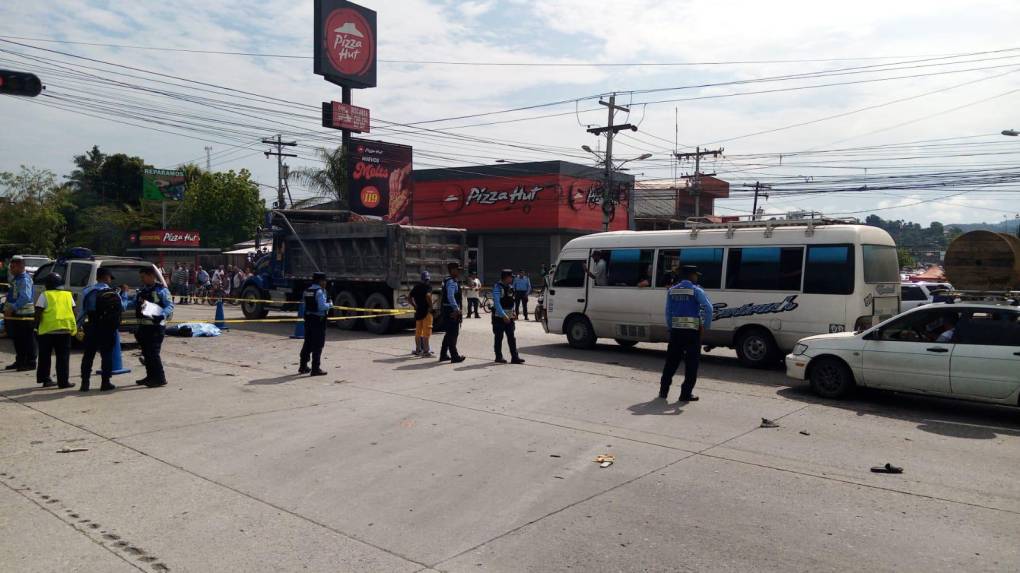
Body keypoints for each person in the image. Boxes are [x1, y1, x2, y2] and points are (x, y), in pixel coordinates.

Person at [659, 265, 714, 402]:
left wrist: (671, 327)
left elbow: (668, 312)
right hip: (692, 333)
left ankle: (663, 392)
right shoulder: (696, 290)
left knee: (671, 363)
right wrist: (705, 326)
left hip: (676, 332)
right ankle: (685, 394)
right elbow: (709, 308)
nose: (697, 277)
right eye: (695, 275)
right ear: (691, 276)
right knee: (691, 364)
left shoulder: (672, 291)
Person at [76, 268, 128, 392]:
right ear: (106, 277)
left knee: (88, 356)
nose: (110, 280)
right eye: (110, 278)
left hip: (92, 326)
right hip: (107, 329)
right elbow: (123, 308)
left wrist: (77, 326)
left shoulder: (88, 291)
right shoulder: (113, 293)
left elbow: (82, 312)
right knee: (107, 356)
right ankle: (105, 383)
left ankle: (85, 383)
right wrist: (124, 293)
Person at [34, 273, 77, 389]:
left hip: (47, 331)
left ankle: (45, 379)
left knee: (44, 356)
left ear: (47, 284)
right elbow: (74, 311)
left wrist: (35, 327)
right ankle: (63, 382)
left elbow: (38, 312)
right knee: (63, 357)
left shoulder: (45, 295)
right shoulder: (68, 295)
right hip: (65, 330)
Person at [134, 267, 174, 388]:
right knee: (146, 353)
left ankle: (160, 378)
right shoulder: (142, 291)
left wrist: (161, 315)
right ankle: (150, 376)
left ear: (151, 276)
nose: (142, 279)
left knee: (153, 354)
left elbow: (169, 306)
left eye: (143, 277)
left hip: (156, 327)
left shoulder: (161, 290)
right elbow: (134, 303)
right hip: (143, 327)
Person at [3, 256, 37, 371]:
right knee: (18, 340)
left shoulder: (24, 279)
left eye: (12, 267)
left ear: (19, 266)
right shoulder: (17, 279)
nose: (11, 269)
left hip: (25, 315)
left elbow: (25, 297)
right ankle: (20, 361)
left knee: (26, 339)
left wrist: (13, 307)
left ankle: (30, 362)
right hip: (17, 315)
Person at [299, 272, 330, 376]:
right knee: (318, 345)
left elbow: (304, 304)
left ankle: (303, 366)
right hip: (318, 320)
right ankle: (315, 369)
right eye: (324, 280)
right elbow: (322, 307)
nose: (325, 282)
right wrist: (330, 305)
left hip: (308, 319)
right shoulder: (319, 292)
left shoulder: (307, 290)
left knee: (308, 343)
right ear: (320, 281)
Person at [492, 269, 525, 364]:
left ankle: (515, 357)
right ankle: (498, 357)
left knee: (511, 337)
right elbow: (497, 303)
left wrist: (513, 312)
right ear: (506, 277)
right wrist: (503, 315)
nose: (512, 279)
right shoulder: (497, 287)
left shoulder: (510, 287)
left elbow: (512, 301)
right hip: (499, 317)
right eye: (511, 277)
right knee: (499, 337)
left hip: (509, 316)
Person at [439, 262, 466, 363]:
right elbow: (451, 296)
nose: (459, 271)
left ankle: (443, 354)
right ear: (452, 270)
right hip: (451, 311)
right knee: (453, 334)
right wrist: (456, 309)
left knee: (449, 333)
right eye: (457, 270)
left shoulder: (449, 280)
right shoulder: (451, 282)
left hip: (448, 310)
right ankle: (454, 356)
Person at [408, 271, 434, 357]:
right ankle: (426, 351)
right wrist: (430, 306)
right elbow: (428, 295)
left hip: (418, 312)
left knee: (418, 332)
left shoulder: (416, 287)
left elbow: (409, 298)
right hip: (426, 312)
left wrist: (414, 306)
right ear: (428, 278)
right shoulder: (428, 286)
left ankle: (418, 350)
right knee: (427, 332)